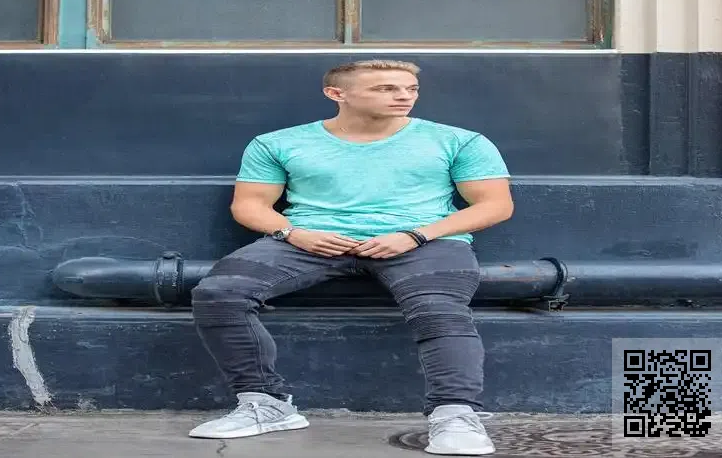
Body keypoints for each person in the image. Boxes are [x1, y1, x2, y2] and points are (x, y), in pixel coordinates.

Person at [189, 59, 513, 455]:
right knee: (219, 294)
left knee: (439, 308)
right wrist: (295, 234)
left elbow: (494, 205)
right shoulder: (278, 143)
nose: (404, 96)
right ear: (336, 93)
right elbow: (249, 205)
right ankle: (265, 404)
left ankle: (455, 415)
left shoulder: (458, 141)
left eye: (410, 88)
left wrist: (414, 235)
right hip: (310, 240)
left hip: (422, 242)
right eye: (385, 88)